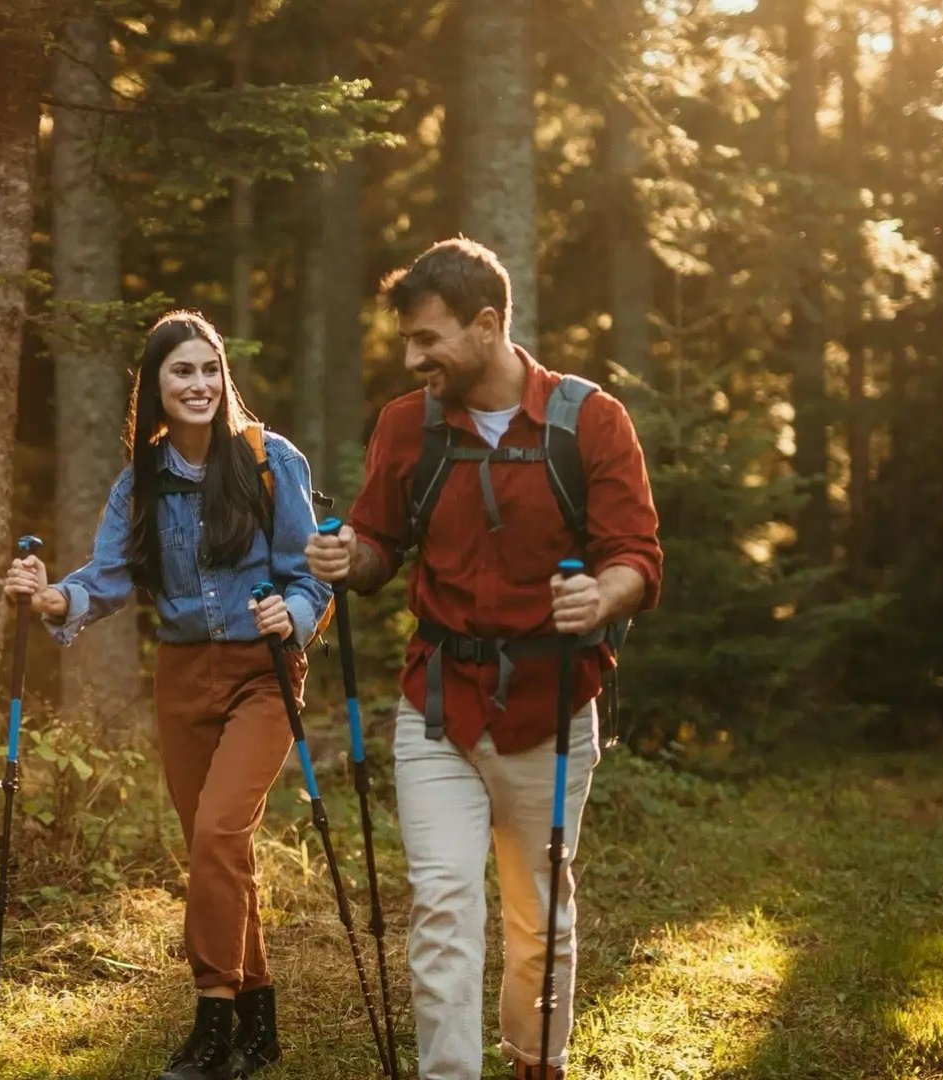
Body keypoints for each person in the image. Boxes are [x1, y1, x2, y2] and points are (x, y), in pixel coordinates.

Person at [305, 239, 662, 1080]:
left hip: (552, 703)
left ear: (489, 325)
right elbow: (378, 548)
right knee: (444, 905)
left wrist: (598, 599)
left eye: (428, 339)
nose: (411, 357)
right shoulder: (406, 425)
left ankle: (536, 1059)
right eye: (406, 340)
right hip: (438, 705)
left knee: (539, 912)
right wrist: (345, 557)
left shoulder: (591, 420)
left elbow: (636, 559)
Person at [5, 310, 332, 1080]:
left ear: (226, 378)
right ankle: (262, 1020)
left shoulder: (269, 461)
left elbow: (310, 572)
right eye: (182, 372)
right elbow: (105, 579)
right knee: (218, 849)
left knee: (220, 832)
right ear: (155, 388)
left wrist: (296, 614)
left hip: (263, 674)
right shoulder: (139, 484)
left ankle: (213, 1016)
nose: (199, 384)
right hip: (183, 677)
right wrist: (51, 597)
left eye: (209, 369)